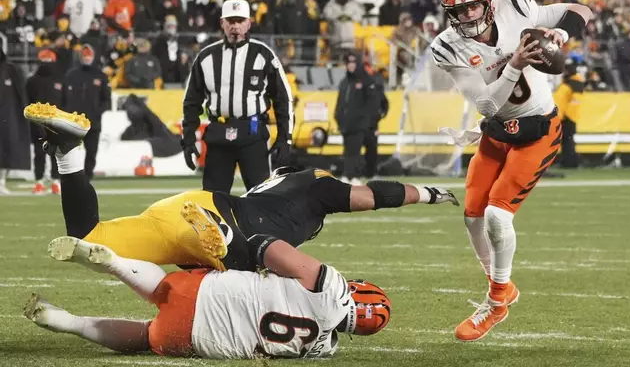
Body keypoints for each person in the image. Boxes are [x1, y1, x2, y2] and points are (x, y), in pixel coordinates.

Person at [24, 102, 459, 272]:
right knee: (257, 265)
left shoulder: (272, 183)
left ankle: (68, 153)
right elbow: (374, 195)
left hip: (186, 205)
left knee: (89, 237)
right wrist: (431, 193)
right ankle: (224, 247)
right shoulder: (315, 184)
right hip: (220, 223)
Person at [431, 0, 592, 341]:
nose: (468, 14)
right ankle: (500, 283)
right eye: (459, 9)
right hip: (499, 128)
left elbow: (580, 8)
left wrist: (560, 34)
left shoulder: (515, 5)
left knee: (497, 213)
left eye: (473, 5)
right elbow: (487, 103)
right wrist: (516, 63)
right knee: (472, 213)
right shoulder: (447, 46)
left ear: (489, 2)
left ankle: (497, 301)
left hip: (538, 128)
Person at [25, 231, 391, 358]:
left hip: (210, 294)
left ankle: (116, 263)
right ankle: (69, 322)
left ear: (358, 292)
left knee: (162, 288)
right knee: (145, 336)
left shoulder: (334, 288)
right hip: (199, 341)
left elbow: (269, 248)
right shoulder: (323, 349)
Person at [182, 0, 293, 193]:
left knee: (261, 198)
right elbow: (192, 102)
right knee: (213, 200)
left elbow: (283, 98)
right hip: (218, 133)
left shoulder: (263, 54)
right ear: (222, 23)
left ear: (249, 23)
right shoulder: (206, 57)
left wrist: (285, 138)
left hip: (252, 132)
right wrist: (189, 138)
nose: (235, 26)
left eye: (240, 21)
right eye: (231, 21)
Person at [61, 44, 111, 179]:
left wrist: (96, 113)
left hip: (92, 122)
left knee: (91, 151)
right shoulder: (71, 75)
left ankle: (87, 177)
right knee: (71, 152)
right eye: (85, 56)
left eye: (89, 56)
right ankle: (72, 177)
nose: (87, 58)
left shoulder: (101, 76)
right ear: (80, 57)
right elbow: (63, 98)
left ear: (93, 57)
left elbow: (106, 100)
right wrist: (68, 114)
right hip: (73, 122)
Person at [335, 52, 377, 185]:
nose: (351, 66)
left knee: (355, 151)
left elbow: (371, 103)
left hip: (359, 124)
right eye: (349, 63)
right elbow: (340, 103)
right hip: (346, 124)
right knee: (347, 151)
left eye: (353, 63)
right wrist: (338, 117)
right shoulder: (344, 82)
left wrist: (369, 122)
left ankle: (354, 176)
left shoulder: (365, 80)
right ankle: (348, 175)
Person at [26, 48, 64, 194]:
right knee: (39, 153)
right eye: (44, 59)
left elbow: (65, 102)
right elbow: (27, 102)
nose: (47, 62)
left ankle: (56, 181)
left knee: (56, 154)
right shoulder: (32, 81)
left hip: (56, 123)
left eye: (49, 59)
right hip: (38, 122)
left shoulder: (60, 80)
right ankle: (39, 181)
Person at [0, 47, 30, 195]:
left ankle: (2, 181)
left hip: (8, 117)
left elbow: (22, 94)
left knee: (7, 149)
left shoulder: (11, 70)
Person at [554, 59, 585, 169]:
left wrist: (567, 115)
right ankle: (568, 161)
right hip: (565, 115)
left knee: (568, 140)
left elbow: (575, 101)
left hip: (568, 116)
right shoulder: (569, 81)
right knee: (567, 140)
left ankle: (570, 162)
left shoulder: (574, 81)